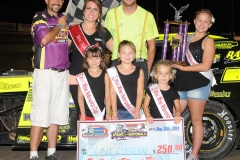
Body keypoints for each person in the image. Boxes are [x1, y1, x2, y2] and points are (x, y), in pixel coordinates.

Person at [172, 9, 216, 160]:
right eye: (200, 20)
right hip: (181, 81)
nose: (202, 24)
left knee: (196, 120)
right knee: (174, 117)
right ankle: (171, 149)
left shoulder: (208, 41)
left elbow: (205, 66)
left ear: (210, 25)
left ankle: (194, 155)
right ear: (195, 21)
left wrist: (185, 68)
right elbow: (175, 56)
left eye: (206, 21)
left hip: (198, 82)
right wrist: (175, 42)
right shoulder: (187, 38)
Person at [30, 0, 69, 159]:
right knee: (40, 116)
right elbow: (43, 39)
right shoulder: (40, 17)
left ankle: (51, 153)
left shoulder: (64, 18)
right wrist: (59, 26)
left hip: (63, 72)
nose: (57, 2)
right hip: (45, 72)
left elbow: (68, 43)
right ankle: (33, 155)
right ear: (46, 0)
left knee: (56, 115)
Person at [68, 0, 113, 120]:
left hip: (98, 79)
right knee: (80, 114)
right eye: (88, 8)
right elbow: (61, 52)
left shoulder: (104, 32)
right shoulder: (72, 31)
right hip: (76, 78)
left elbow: (119, 52)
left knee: (98, 114)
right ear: (83, 11)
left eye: (95, 9)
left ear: (99, 14)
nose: (91, 12)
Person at [104, 0, 159, 88]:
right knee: (115, 97)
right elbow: (107, 39)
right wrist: (121, 54)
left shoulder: (147, 16)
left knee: (138, 98)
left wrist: (147, 69)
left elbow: (152, 47)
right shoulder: (111, 14)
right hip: (117, 62)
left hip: (139, 63)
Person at [108, 40, 144, 120]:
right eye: (124, 52)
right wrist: (114, 112)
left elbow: (140, 92)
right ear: (118, 54)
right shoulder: (113, 71)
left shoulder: (139, 71)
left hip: (133, 111)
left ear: (134, 55)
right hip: (118, 111)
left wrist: (137, 111)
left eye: (130, 53)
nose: (127, 55)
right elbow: (112, 92)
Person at [77, 44, 111, 121]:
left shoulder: (105, 75)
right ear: (86, 59)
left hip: (101, 114)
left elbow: (108, 96)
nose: (94, 61)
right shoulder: (82, 76)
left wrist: (108, 113)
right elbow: (80, 96)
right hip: (85, 115)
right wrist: (82, 113)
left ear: (101, 59)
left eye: (97, 58)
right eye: (91, 58)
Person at [143, 60, 181, 124]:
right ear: (155, 75)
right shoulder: (151, 90)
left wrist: (177, 114)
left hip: (168, 123)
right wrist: (148, 116)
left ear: (171, 75)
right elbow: (145, 105)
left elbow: (178, 107)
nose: (163, 76)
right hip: (153, 123)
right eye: (160, 73)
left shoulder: (173, 92)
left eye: (166, 73)